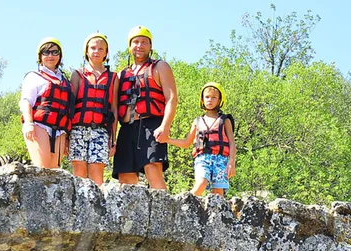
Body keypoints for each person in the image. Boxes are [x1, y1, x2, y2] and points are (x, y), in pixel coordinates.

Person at [112, 26, 177, 190]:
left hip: (151, 125)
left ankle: (162, 213)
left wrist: (165, 126)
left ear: (150, 46)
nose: (139, 46)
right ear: (130, 46)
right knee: (125, 178)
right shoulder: (121, 74)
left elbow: (171, 98)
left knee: (153, 170)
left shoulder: (160, 67)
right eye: (135, 42)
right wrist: (112, 138)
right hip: (127, 128)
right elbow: (113, 109)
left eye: (144, 42)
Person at [167, 82, 236, 196]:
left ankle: (216, 213)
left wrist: (231, 163)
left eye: (214, 97)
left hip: (221, 159)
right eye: (207, 97)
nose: (210, 100)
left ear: (219, 100)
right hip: (202, 158)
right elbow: (186, 142)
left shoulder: (225, 120)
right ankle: (184, 204)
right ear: (202, 100)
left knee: (218, 192)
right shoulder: (197, 121)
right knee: (201, 184)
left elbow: (232, 143)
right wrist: (167, 139)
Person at [69, 33, 118, 186]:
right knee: (79, 171)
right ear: (86, 51)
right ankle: (77, 208)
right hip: (77, 130)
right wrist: (66, 135)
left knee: (97, 172)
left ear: (106, 53)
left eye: (101, 48)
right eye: (93, 48)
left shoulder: (113, 77)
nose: (96, 51)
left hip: (101, 131)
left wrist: (113, 139)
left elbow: (114, 110)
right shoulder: (78, 74)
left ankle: (97, 208)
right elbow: (70, 107)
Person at [19, 37, 72, 168]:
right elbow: (26, 101)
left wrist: (67, 138)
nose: (50, 56)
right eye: (46, 52)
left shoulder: (65, 81)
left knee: (54, 173)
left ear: (60, 56)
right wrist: (29, 124)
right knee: (43, 169)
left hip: (59, 130)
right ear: (40, 56)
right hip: (39, 126)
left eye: (54, 52)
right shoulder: (34, 77)